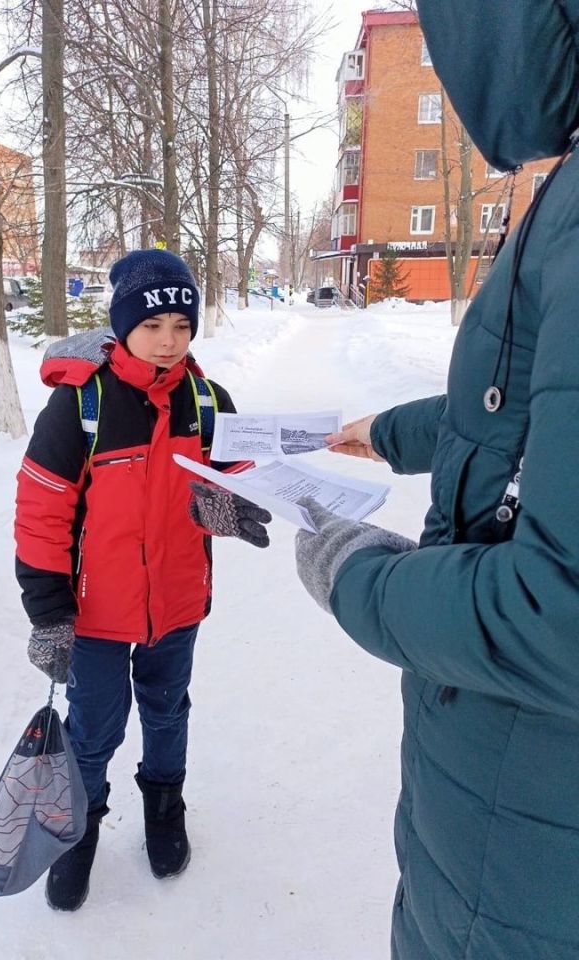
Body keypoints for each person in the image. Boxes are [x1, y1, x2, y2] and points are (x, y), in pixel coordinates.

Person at [294, 2, 579, 957]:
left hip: (527, 861)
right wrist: (397, 433)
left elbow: (563, 616)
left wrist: (357, 579)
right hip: (505, 819)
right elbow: (525, 407)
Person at [14, 249, 271, 911]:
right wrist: (48, 610)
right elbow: (43, 507)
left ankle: (164, 806)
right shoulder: (82, 404)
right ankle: (78, 829)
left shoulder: (209, 401)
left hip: (178, 600)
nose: (168, 340)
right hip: (95, 610)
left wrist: (233, 506)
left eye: (182, 327)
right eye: (153, 325)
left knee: (167, 709)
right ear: (123, 324)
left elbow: (233, 480)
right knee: (94, 728)